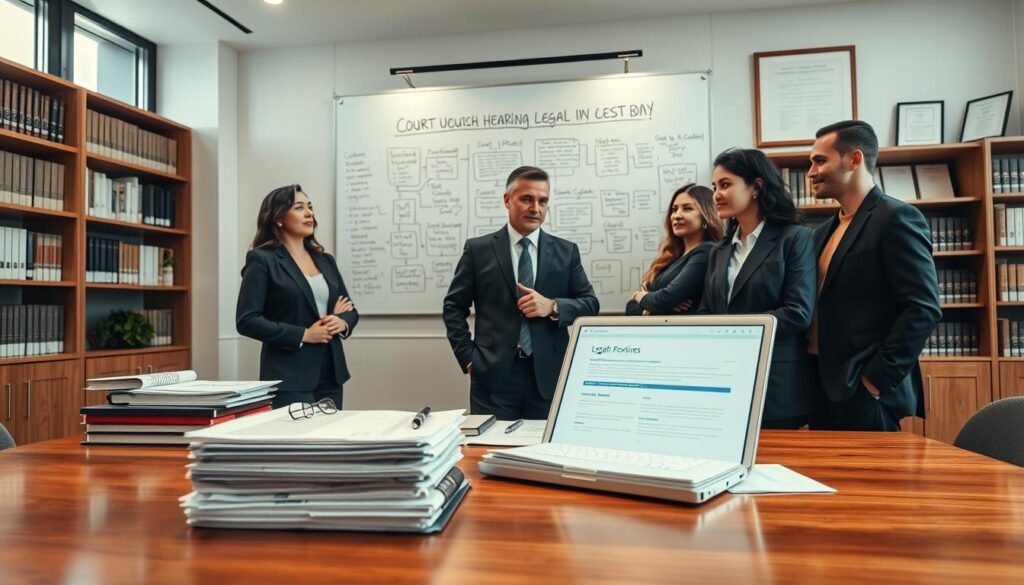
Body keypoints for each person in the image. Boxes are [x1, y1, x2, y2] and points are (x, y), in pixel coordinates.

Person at [807, 120, 941, 431]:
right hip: (820, 388)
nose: (811, 172)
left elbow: (923, 308)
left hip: (864, 392)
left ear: (854, 159)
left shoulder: (897, 218)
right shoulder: (821, 233)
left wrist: (874, 381)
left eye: (820, 160)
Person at [443, 166, 600, 420]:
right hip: (492, 376)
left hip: (548, 377)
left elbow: (590, 304)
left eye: (542, 201)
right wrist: (469, 358)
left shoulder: (566, 251)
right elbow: (453, 307)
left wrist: (552, 306)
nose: (535, 208)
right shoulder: (478, 250)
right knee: (489, 454)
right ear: (507, 200)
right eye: (526, 199)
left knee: (541, 454)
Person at [699, 148, 816, 429]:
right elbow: (706, 311)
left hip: (775, 384)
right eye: (715, 186)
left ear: (756, 187)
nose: (716, 194)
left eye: (725, 185)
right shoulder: (719, 251)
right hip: (724, 382)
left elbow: (798, 312)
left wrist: (735, 333)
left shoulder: (794, 238)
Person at [236, 184, 359, 409]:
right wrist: (304, 334)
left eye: (310, 207)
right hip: (289, 376)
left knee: (329, 440)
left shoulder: (326, 260)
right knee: (299, 443)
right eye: (299, 207)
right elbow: (247, 320)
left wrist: (341, 321)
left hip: (331, 373)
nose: (309, 213)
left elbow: (350, 310)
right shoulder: (262, 260)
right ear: (279, 217)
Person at [626, 183, 722, 316]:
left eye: (687, 209)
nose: (677, 215)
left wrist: (638, 296)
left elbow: (665, 299)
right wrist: (651, 305)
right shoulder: (671, 257)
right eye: (674, 209)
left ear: (706, 215)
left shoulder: (707, 251)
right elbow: (630, 309)